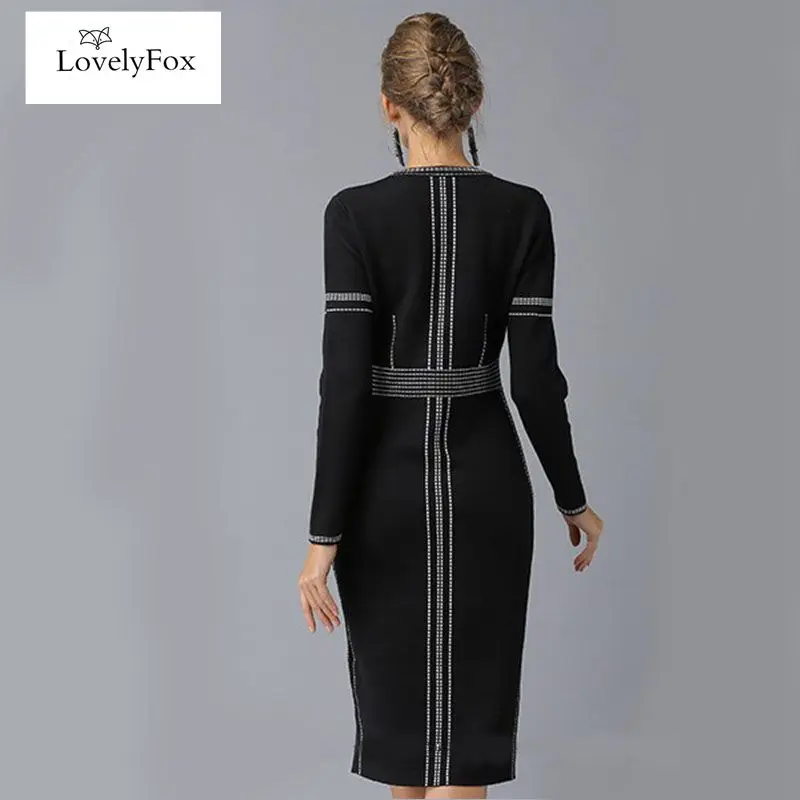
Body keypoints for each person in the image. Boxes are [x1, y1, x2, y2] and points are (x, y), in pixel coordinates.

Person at [297, 12, 604, 800]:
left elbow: (344, 385)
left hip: (382, 497)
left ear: (388, 106)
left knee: (403, 748)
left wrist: (322, 537)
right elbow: (536, 381)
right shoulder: (523, 212)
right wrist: (572, 497)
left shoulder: (353, 215)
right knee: (464, 744)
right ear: (472, 103)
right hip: (487, 487)